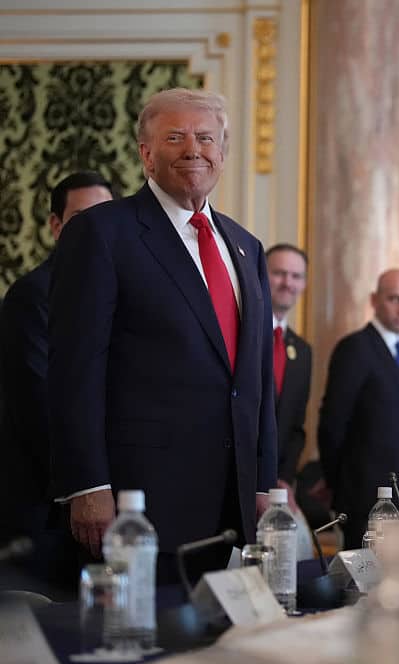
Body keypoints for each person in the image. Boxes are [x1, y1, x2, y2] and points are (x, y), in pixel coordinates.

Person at [48, 88, 277, 584]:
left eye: (205, 138)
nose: (193, 149)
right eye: (175, 137)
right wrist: (88, 484)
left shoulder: (246, 247)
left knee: (219, 651)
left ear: (223, 153)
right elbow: (75, 370)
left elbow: (257, 380)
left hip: (232, 506)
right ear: (146, 154)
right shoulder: (102, 233)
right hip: (140, 506)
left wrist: (263, 484)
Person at [0, 171, 115, 590]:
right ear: (55, 226)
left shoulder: (120, 292)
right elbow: (41, 410)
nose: (93, 230)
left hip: (109, 508)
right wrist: (92, 482)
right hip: (47, 513)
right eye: (80, 218)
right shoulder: (31, 297)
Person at [318, 269, 399, 549]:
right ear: (374, 300)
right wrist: (341, 487)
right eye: (394, 299)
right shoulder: (356, 348)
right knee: (365, 590)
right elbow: (332, 424)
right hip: (366, 502)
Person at [266, 244, 312, 490]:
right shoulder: (241, 333)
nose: (288, 283)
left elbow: (296, 426)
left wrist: (284, 479)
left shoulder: (303, 351)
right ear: (260, 274)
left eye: (296, 276)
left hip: (278, 486)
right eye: (279, 273)